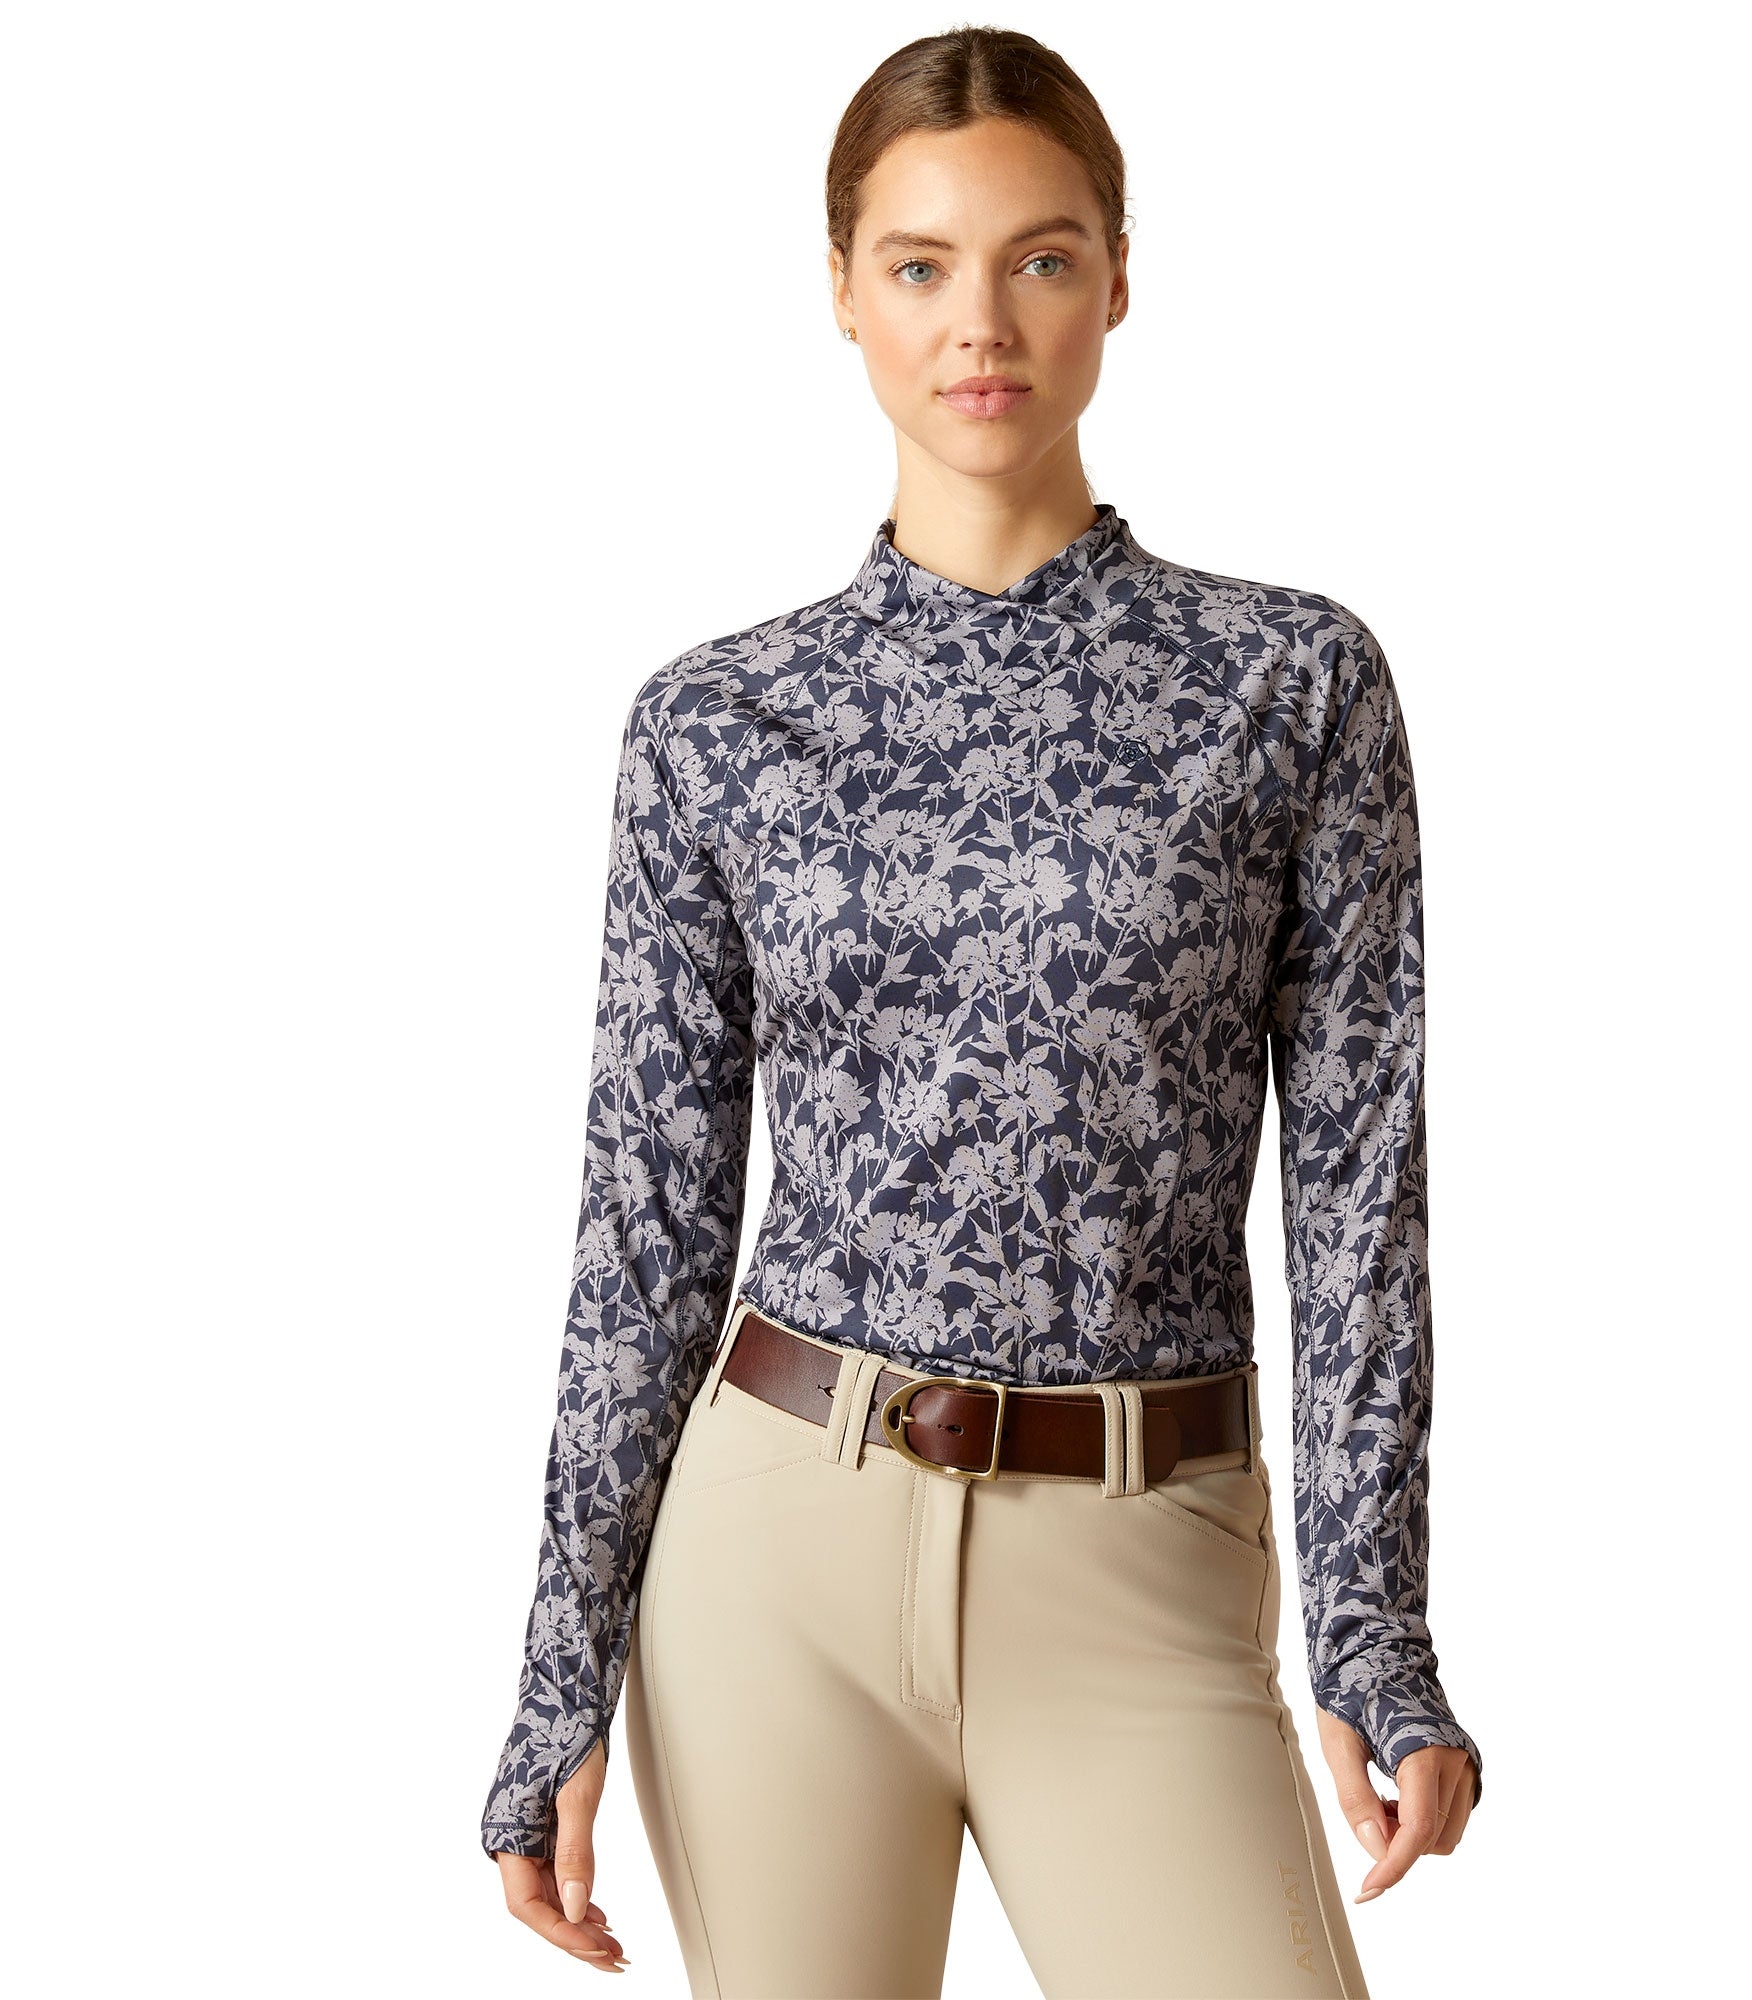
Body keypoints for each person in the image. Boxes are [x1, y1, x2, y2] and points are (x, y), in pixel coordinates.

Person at [482, 25, 1482, 1997]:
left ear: (1117, 278)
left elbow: (1362, 1194)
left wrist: (1374, 1630)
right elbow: (646, 1225)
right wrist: (554, 1682)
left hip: (1145, 1547)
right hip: (775, 1558)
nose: (981, 323)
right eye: (920, 264)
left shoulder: (1291, 686)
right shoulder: (715, 723)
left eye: (1039, 258)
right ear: (841, 290)